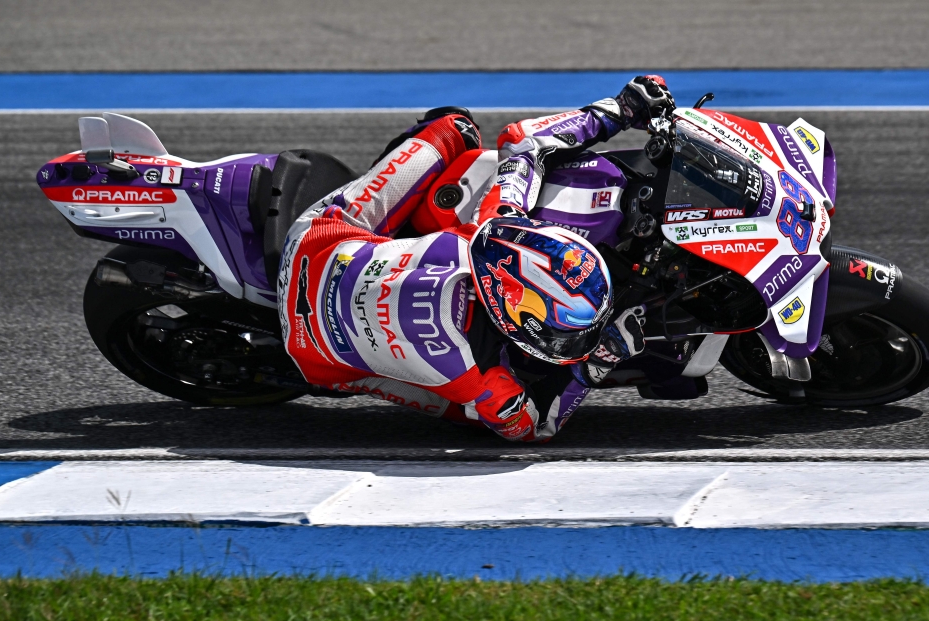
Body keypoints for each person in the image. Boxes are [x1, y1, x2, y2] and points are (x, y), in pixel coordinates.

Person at [277, 76, 676, 441]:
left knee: (454, 128)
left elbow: (521, 140)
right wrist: (595, 366)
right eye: (565, 332)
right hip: (318, 359)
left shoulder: (490, 230)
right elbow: (533, 428)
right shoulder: (480, 374)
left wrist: (620, 109)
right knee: (464, 408)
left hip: (314, 249)